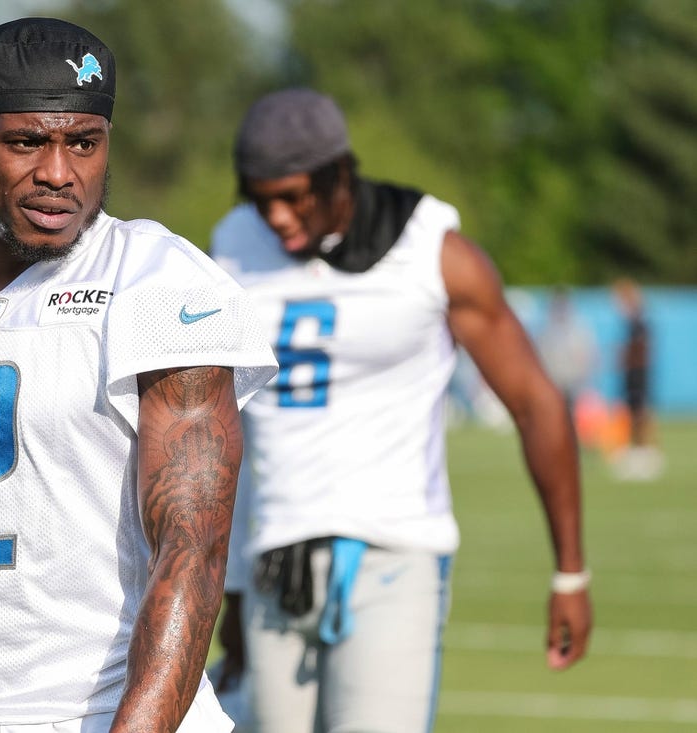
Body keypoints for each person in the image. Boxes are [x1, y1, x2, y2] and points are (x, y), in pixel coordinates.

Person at [0, 17, 277, 733]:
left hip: (114, 709)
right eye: (26, 142)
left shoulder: (161, 282)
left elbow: (192, 550)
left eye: (83, 142)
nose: (58, 172)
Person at [210, 88, 592, 733]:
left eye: (293, 195)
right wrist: (234, 585)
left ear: (339, 174)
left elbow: (535, 403)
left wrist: (571, 574)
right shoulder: (231, 242)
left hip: (393, 552)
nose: (274, 216)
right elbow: (234, 423)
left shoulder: (429, 248)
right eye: (260, 196)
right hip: (274, 557)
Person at [611, 277, 663, 480]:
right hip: (633, 375)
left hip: (639, 375)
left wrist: (625, 357)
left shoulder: (639, 324)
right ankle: (638, 451)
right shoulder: (632, 323)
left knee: (641, 413)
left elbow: (642, 351)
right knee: (634, 413)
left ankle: (647, 452)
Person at [536, 287, 597, 415]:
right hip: (554, 377)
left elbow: (585, 354)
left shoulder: (577, 330)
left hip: (570, 378)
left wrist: (583, 375)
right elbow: (542, 353)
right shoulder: (548, 330)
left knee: (569, 410)